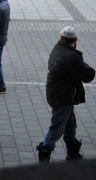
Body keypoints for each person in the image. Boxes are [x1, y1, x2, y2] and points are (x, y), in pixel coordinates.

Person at [36, 26, 95, 163]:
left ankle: (72, 152)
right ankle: (44, 154)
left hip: (59, 94)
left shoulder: (58, 48)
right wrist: (81, 60)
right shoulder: (71, 57)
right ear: (75, 40)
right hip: (62, 97)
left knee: (70, 125)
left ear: (60, 38)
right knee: (57, 128)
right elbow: (89, 75)